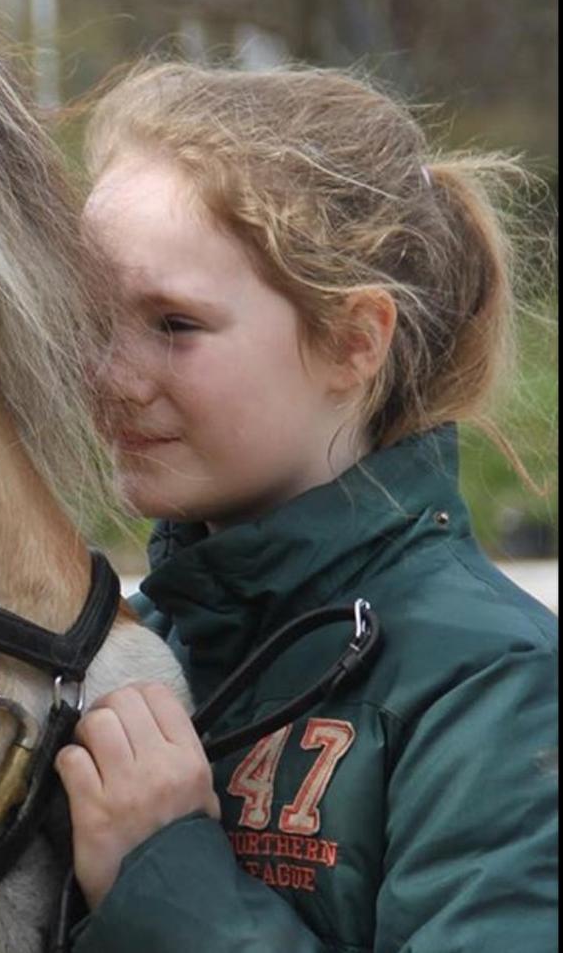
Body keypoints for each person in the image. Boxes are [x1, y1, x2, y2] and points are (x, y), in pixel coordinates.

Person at [58, 62, 558, 951]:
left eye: (174, 324)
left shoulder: (496, 685)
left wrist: (164, 876)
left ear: (354, 341)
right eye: (93, 318)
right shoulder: (130, 645)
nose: (109, 377)